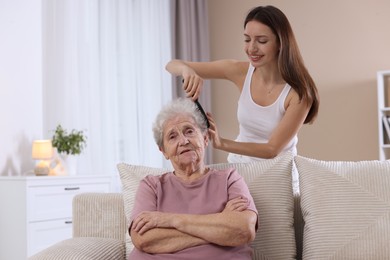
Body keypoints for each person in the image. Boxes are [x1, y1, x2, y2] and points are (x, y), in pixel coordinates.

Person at [165, 5, 319, 191]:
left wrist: (223, 143)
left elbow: (272, 150)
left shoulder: (299, 93)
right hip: (239, 170)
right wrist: (186, 70)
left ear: (281, 43)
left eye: (261, 41)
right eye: (247, 39)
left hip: (277, 177)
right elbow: (171, 64)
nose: (251, 48)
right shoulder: (240, 71)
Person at [129, 98, 258, 259]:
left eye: (189, 131)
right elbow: (143, 239)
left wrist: (170, 220)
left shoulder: (229, 179)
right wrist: (219, 225)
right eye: (172, 136)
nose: (183, 141)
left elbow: (243, 230)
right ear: (164, 151)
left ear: (205, 139)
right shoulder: (151, 186)